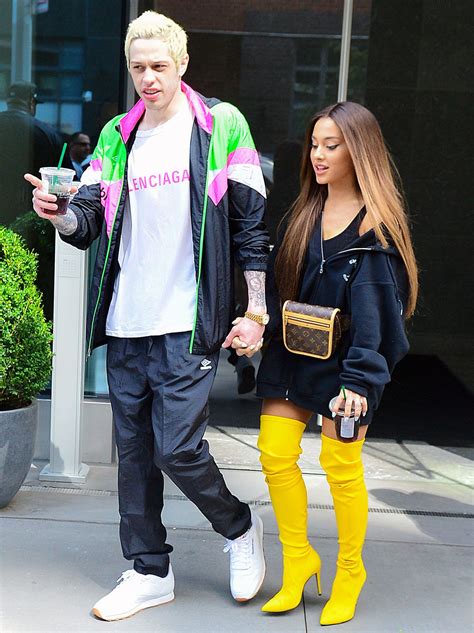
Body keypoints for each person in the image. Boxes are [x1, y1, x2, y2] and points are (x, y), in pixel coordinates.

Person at [25, 10, 269, 622]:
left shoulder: (220, 125)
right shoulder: (117, 135)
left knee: (177, 449)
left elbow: (250, 225)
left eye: (159, 66)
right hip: (127, 321)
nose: (149, 78)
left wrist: (256, 310)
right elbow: (88, 220)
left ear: (182, 63)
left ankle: (240, 527)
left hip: (188, 319)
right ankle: (148, 570)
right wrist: (59, 213)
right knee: (133, 454)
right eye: (138, 68)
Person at [253, 101, 418, 625]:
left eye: (332, 145)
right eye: (314, 145)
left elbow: (376, 320)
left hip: (347, 366)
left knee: (340, 467)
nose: (318, 155)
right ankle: (298, 560)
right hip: (291, 354)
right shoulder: (304, 213)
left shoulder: (376, 230)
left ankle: (350, 571)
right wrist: (257, 326)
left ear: (359, 151)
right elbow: (283, 288)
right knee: (274, 453)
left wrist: (361, 384)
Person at [0, 81, 62, 226]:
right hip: (32, 216)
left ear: (8, 101)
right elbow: (63, 179)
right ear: (31, 102)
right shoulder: (47, 133)